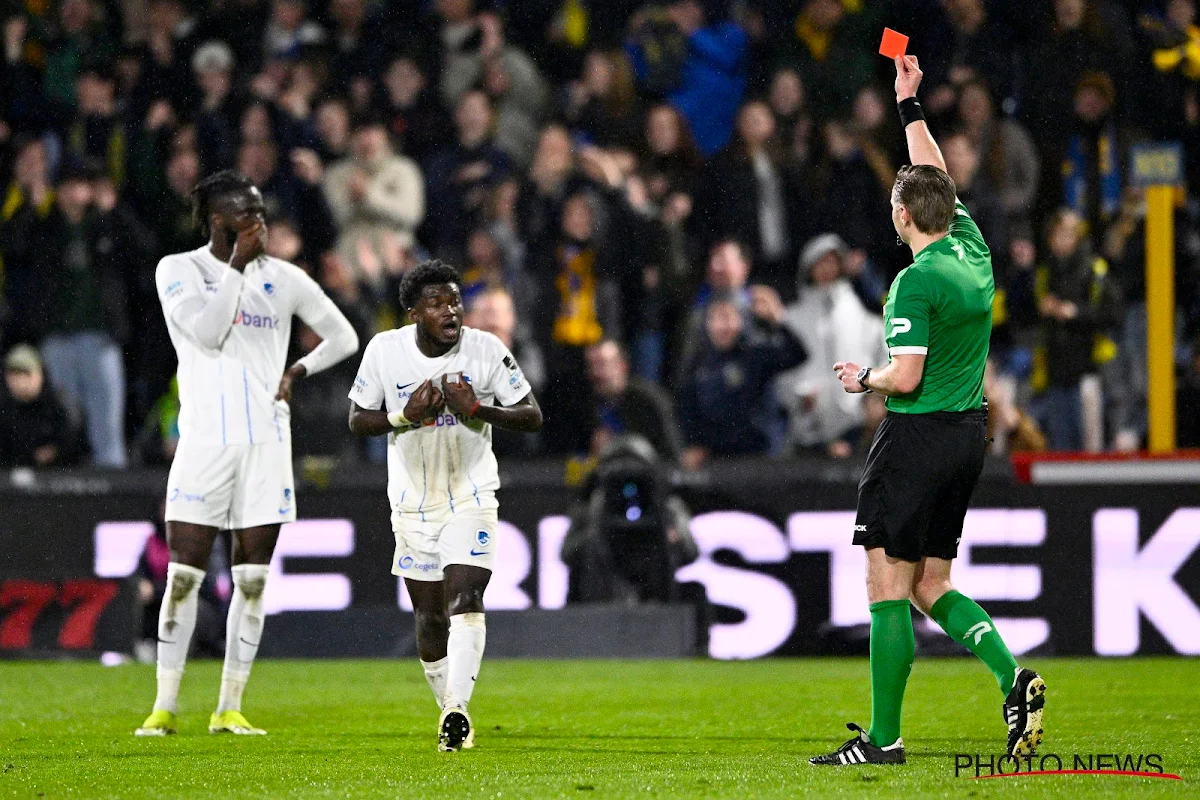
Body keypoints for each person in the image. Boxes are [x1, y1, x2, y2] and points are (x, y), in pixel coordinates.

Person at [812, 55, 1044, 767]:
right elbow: (936, 173)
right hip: (969, 434)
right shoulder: (972, 250)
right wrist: (909, 106)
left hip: (915, 439)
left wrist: (863, 381)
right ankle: (1014, 677)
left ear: (903, 216)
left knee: (889, 586)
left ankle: (884, 739)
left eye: (895, 203)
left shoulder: (914, 282)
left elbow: (905, 378)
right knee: (931, 583)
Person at [135, 170, 359, 737]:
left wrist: (298, 369)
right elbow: (208, 335)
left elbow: (344, 336)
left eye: (262, 212)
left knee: (252, 580)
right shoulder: (178, 270)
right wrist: (235, 267)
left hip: (266, 441)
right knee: (183, 575)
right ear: (217, 219)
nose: (260, 223)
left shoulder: (285, 279)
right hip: (205, 439)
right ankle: (164, 705)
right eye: (248, 213)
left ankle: (229, 706)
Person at [347, 260, 543, 752]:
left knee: (466, 601)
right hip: (412, 505)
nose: (450, 311)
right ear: (413, 313)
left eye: (455, 300)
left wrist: (477, 410)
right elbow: (357, 419)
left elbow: (532, 414)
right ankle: (452, 712)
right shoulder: (384, 352)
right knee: (430, 619)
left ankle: (455, 712)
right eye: (436, 303)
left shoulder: (485, 349)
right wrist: (404, 415)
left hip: (472, 496)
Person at [778, 234, 886, 458]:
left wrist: (875, 397)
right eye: (820, 261)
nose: (826, 268)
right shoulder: (792, 318)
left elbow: (884, 357)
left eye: (832, 261)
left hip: (857, 426)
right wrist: (796, 396)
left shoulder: (860, 315)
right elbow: (781, 370)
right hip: (807, 428)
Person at [585, 339, 683, 462]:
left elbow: (672, 453)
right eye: (590, 365)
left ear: (622, 366)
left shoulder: (649, 400)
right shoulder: (585, 403)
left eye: (602, 364)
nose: (596, 373)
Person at [0, 344, 83, 468]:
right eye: (14, 375)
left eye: (26, 373)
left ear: (40, 373)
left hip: (64, 475)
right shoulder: (4, 408)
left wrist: (56, 450)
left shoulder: (61, 404)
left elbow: (77, 442)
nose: (21, 381)